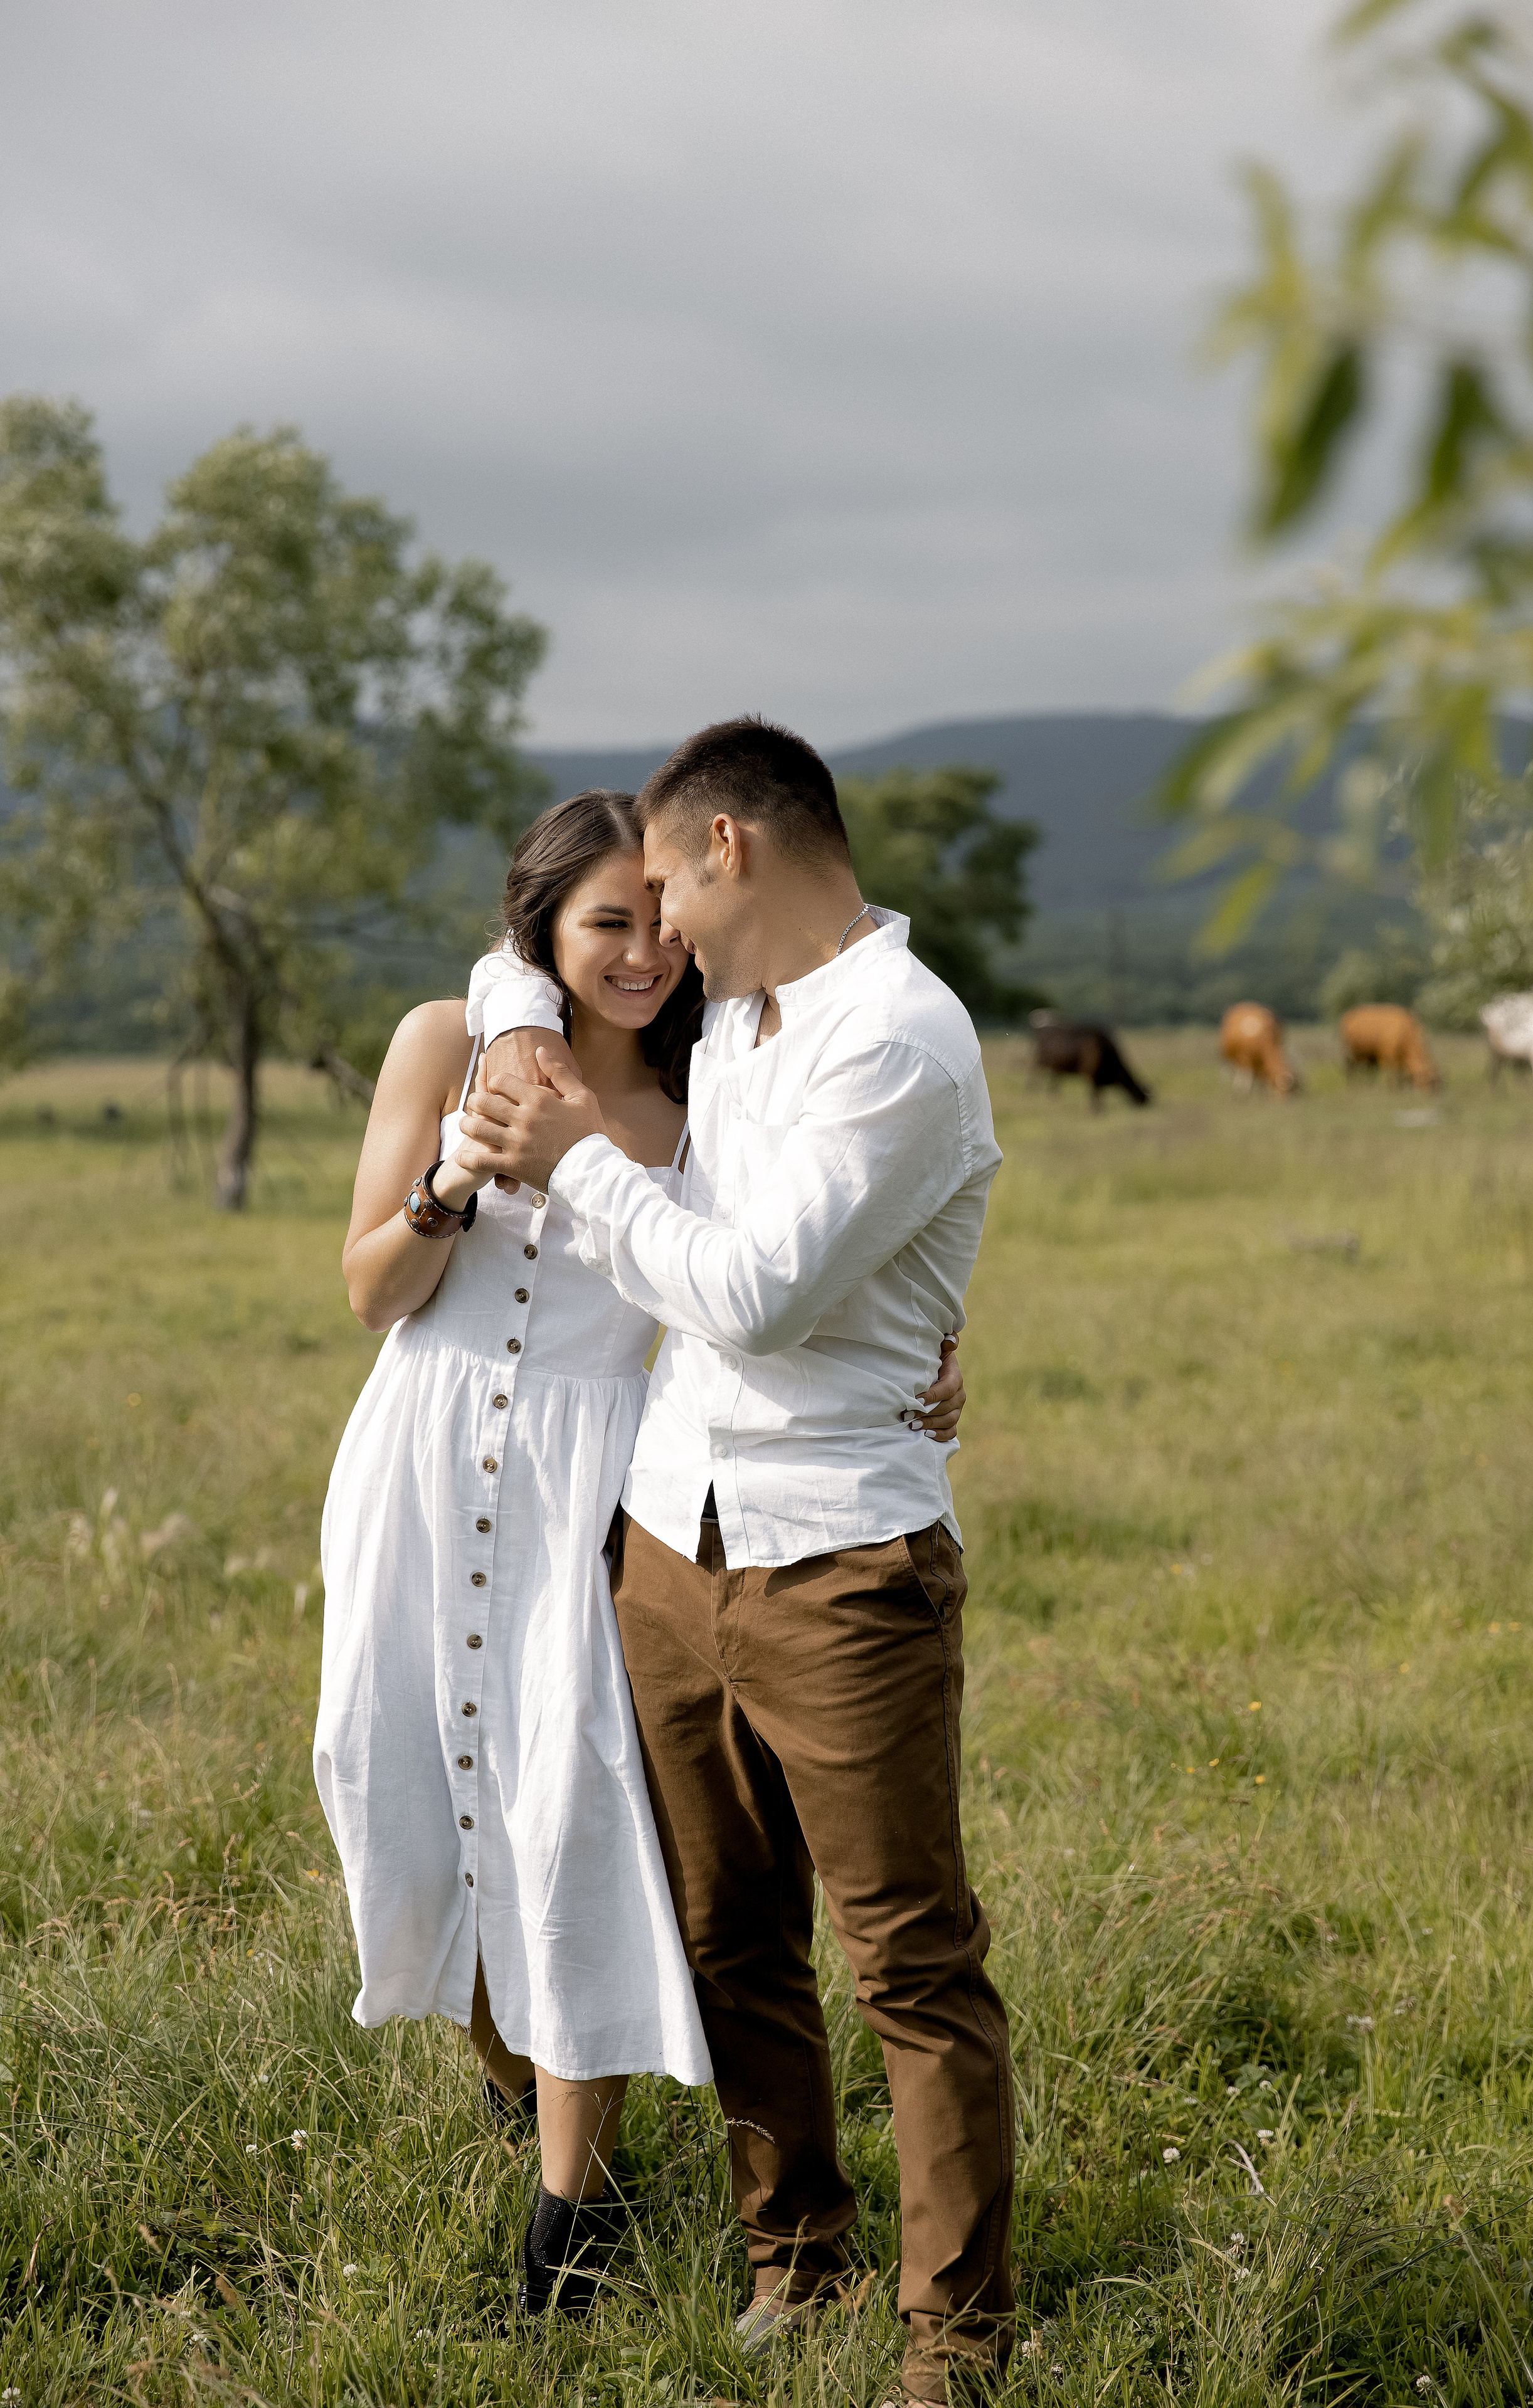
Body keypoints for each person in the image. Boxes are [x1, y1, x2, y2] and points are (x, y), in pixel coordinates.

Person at [313, 788, 968, 2321]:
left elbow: (801, 1258)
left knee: (563, 1830)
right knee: (396, 1804)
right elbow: (368, 1291)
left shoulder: (708, 1092)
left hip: (593, 1485)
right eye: (606, 923)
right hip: (418, 1467)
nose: (646, 954)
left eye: (660, 923)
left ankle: (572, 2211)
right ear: (538, 929)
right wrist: (452, 1180)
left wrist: (937, 1342)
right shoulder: (447, 1041)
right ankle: (521, 2073)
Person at [454, 719, 1015, 2406]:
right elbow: (515, 986)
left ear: (732, 848)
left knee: (907, 1957)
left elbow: (762, 1286)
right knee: (731, 1933)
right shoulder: (744, 1021)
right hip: (670, 1540)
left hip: (839, 1555)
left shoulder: (900, 1040)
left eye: (671, 889)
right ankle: (798, 2259)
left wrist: (579, 1172)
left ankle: (955, 2344)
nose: (663, 931)